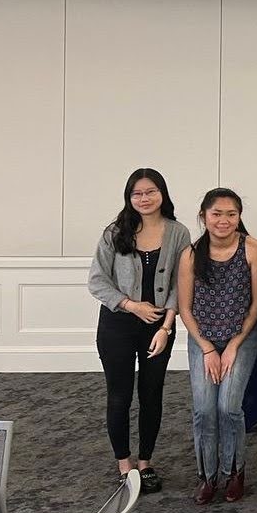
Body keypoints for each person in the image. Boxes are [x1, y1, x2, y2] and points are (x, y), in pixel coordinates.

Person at [88, 168, 191, 493]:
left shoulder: (179, 232)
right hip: (117, 325)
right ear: (129, 198)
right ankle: (124, 464)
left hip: (159, 327)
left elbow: (181, 281)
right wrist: (132, 305)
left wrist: (166, 324)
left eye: (151, 191)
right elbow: (96, 280)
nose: (144, 198)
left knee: (152, 395)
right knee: (119, 396)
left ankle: (145, 462)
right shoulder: (115, 232)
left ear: (162, 193)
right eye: (138, 193)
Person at [177, 188, 257, 503]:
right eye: (217, 214)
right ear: (203, 216)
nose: (224, 220)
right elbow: (185, 309)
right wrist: (208, 348)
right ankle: (207, 477)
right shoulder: (190, 254)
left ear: (240, 216)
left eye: (231, 214)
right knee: (204, 409)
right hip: (203, 339)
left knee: (228, 406)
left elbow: (256, 306)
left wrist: (233, 346)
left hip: (241, 336)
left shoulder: (253, 249)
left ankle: (234, 472)